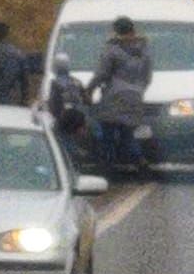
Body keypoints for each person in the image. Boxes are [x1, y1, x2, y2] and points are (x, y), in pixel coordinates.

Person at [86, 16, 152, 168]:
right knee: (127, 132)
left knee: (108, 132)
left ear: (116, 31)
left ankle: (108, 165)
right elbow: (147, 77)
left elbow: (102, 74)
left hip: (113, 97)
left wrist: (89, 89)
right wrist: (139, 90)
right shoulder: (144, 50)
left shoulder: (112, 50)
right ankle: (138, 159)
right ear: (133, 29)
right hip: (135, 97)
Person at [48, 52, 93, 161]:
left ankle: (71, 156)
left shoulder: (55, 83)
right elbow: (88, 100)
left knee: (59, 138)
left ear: (55, 67)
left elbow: (54, 104)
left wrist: (54, 115)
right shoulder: (77, 81)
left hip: (66, 118)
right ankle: (79, 154)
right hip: (80, 117)